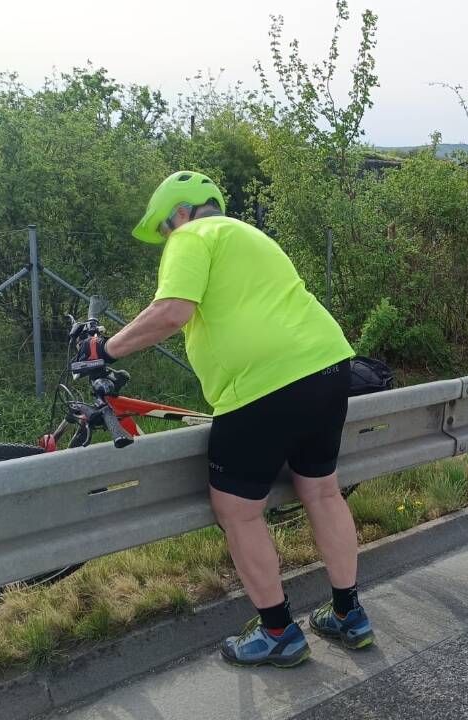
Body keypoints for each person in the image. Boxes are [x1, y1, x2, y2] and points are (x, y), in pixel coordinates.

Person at [76, 171, 373, 668]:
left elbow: (172, 310)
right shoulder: (252, 236)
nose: (166, 240)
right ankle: (349, 614)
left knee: (237, 510)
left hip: (263, 384)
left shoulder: (191, 236)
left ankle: (278, 632)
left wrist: (104, 349)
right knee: (321, 490)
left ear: (179, 213)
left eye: (164, 230)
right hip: (328, 365)